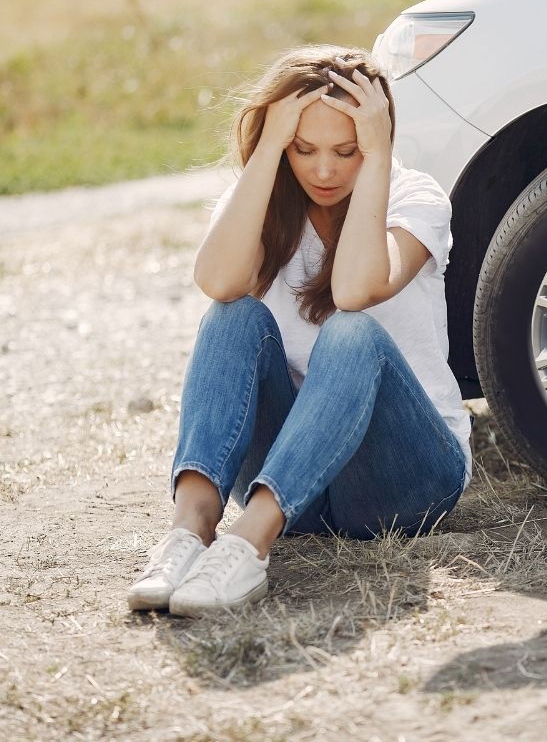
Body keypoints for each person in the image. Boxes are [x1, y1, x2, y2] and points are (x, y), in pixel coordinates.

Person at [127, 45, 472, 616]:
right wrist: (266, 147)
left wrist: (379, 157)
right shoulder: (260, 202)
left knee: (351, 331)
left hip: (406, 477)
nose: (324, 170)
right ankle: (189, 533)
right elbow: (217, 280)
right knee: (232, 313)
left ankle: (248, 543)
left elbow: (355, 290)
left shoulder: (416, 198)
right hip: (297, 487)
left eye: (346, 150)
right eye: (304, 149)